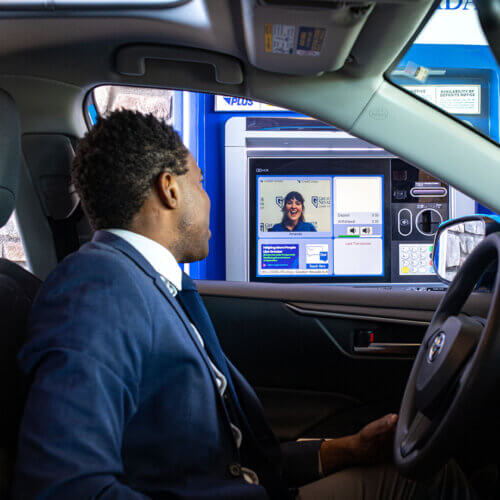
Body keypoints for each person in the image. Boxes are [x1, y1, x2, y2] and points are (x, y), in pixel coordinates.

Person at [13, 111, 476, 500]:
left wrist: (345, 449)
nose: (208, 198)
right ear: (170, 189)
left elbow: (228, 460)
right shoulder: (96, 292)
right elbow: (63, 486)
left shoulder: (142, 282)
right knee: (429, 482)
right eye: (201, 183)